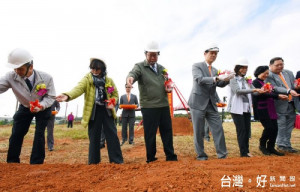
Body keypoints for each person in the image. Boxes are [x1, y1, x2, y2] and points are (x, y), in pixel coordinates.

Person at [56, 58, 123, 164]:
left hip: (107, 110)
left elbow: (115, 94)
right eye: (92, 68)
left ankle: (117, 161)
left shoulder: (109, 80)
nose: (94, 71)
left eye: (97, 69)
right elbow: (78, 89)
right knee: (94, 136)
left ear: (102, 69)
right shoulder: (87, 79)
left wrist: (112, 101)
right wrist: (67, 95)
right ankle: (93, 162)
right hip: (94, 111)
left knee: (112, 135)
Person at [0, 48, 56, 164]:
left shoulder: (46, 78)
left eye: (20, 69)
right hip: (25, 106)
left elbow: (50, 97)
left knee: (39, 133)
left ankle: (36, 163)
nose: (16, 71)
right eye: (15, 68)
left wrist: (40, 106)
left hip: (42, 107)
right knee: (16, 133)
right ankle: (12, 162)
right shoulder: (11, 76)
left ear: (30, 67)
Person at [126, 41, 177, 163]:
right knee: (150, 133)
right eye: (150, 55)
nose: (153, 57)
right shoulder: (139, 66)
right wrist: (130, 79)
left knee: (167, 131)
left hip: (163, 104)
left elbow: (166, 82)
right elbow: (133, 74)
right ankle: (151, 157)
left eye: (155, 55)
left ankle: (170, 156)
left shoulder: (162, 69)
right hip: (149, 106)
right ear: (145, 54)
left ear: (158, 55)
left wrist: (168, 87)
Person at [188, 43, 234, 161]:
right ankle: (201, 155)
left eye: (215, 54)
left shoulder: (215, 70)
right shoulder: (197, 66)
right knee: (199, 131)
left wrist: (228, 79)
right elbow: (199, 80)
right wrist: (217, 78)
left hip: (211, 104)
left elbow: (219, 84)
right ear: (205, 54)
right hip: (197, 103)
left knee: (218, 129)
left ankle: (222, 155)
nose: (213, 55)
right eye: (211, 53)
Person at [227, 57, 266, 157]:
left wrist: (261, 91)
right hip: (236, 108)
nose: (244, 70)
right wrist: (254, 90)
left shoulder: (247, 80)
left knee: (247, 130)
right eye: (242, 68)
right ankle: (243, 153)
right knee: (242, 131)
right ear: (237, 68)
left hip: (246, 108)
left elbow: (255, 92)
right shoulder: (232, 79)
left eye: (246, 68)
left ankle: (246, 151)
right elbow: (237, 91)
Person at [266, 57, 300, 153]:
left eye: (282, 64)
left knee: (289, 126)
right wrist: (288, 91)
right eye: (277, 65)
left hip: (292, 103)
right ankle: (280, 145)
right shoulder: (269, 75)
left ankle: (287, 145)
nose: (280, 67)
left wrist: (297, 86)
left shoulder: (288, 72)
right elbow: (274, 87)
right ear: (271, 65)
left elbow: (293, 85)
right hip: (279, 104)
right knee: (281, 125)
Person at [252, 66, 287, 156]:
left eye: (267, 74)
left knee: (275, 128)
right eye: (265, 73)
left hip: (270, 108)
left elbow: (272, 92)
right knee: (269, 128)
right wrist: (278, 96)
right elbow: (263, 94)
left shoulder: (265, 83)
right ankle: (262, 145)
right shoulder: (255, 82)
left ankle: (271, 147)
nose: (266, 75)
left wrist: (278, 95)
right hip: (262, 109)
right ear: (259, 72)